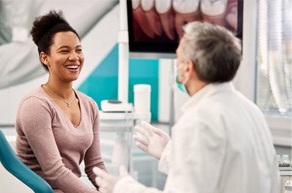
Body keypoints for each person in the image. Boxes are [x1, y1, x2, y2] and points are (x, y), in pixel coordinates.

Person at [93, 21, 280, 193]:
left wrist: (123, 187)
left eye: (178, 58)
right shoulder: (251, 111)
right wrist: (168, 152)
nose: (177, 66)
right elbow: (222, 172)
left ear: (188, 68)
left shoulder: (197, 121)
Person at [15, 10, 107, 193]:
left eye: (78, 50)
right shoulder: (35, 105)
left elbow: (94, 165)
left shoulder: (89, 105)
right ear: (45, 57)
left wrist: (116, 188)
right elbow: (55, 173)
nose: (74, 57)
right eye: (64, 51)